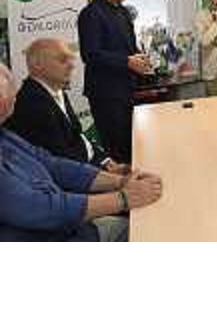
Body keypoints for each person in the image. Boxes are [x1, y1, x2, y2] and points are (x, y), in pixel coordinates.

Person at [0, 64, 162, 241]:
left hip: (74, 228)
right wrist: (124, 198)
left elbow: (54, 165)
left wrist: (120, 181)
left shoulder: (6, 136)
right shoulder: (32, 104)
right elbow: (42, 209)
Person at [6, 39, 128, 173]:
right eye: (62, 60)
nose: (72, 66)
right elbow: (62, 161)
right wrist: (107, 173)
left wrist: (106, 161)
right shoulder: (32, 103)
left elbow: (78, 137)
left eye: (71, 59)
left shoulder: (57, 91)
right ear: (37, 65)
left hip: (88, 169)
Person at [78, 0, 150, 164]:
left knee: (131, 144)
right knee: (117, 149)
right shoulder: (91, 13)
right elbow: (90, 54)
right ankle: (122, 183)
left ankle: (134, 179)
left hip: (127, 89)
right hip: (105, 93)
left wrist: (141, 58)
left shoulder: (124, 12)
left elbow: (129, 47)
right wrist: (127, 61)